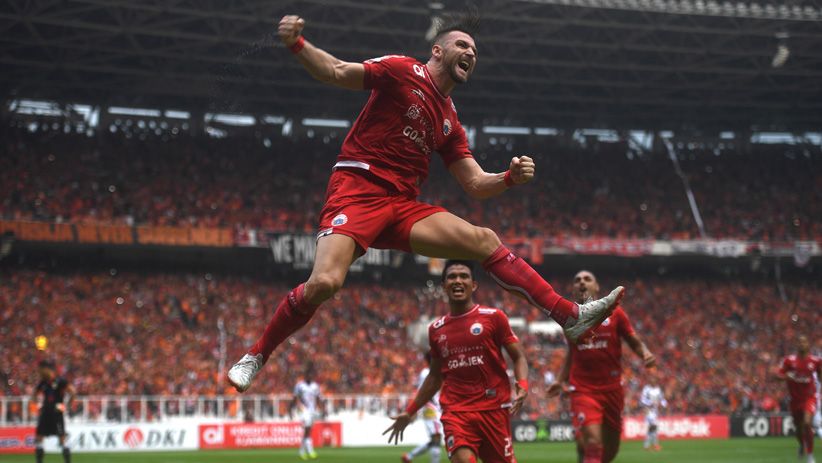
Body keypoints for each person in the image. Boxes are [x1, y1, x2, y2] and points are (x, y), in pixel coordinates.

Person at [227, 8, 624, 394]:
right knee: (326, 283)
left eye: (475, 52)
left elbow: (474, 182)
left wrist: (508, 177)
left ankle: (568, 315)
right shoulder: (403, 71)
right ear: (438, 51)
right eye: (463, 45)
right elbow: (335, 71)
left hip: (402, 205)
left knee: (484, 239)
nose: (471, 53)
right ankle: (256, 355)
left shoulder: (450, 118)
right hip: (358, 189)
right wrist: (297, 44)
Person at [383, 260, 529, 463]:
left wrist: (522, 384)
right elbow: (435, 377)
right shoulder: (436, 329)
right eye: (452, 277)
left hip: (493, 408)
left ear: (474, 284)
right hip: (456, 411)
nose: (457, 280)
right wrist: (410, 412)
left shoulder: (494, 318)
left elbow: (519, 356)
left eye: (463, 276)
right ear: (444, 286)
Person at [547, 270, 655, 463]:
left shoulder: (616, 314)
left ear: (596, 287)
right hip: (583, 389)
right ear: (573, 288)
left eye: (587, 279)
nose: (582, 282)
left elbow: (634, 341)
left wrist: (645, 354)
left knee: (609, 451)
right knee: (594, 444)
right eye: (577, 280)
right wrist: (559, 380)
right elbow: (572, 353)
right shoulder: (569, 319)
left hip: (612, 390)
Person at [776, 334, 820, 463]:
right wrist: (786, 376)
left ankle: (810, 455)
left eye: (804, 342)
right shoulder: (789, 361)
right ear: (797, 345)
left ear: (808, 345)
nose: (802, 344)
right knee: (799, 428)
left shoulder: (815, 361)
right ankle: (801, 445)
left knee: (807, 423)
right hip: (794, 400)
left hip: (809, 398)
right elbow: (777, 375)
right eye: (799, 342)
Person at [402, 352, 443, 463]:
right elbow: (422, 392)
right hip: (431, 408)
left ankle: (409, 456)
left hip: (434, 408)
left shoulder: (430, 372)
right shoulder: (427, 373)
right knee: (436, 437)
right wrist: (414, 410)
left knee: (435, 439)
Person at [32, 360, 75, 463]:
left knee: (62, 439)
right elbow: (34, 395)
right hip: (45, 412)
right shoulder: (43, 382)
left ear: (48, 370)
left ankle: (67, 461)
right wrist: (38, 405)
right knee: (39, 437)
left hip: (57, 413)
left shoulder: (61, 381)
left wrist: (67, 406)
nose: (40, 373)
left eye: (42, 370)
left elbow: (72, 392)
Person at [292, 371, 322, 460]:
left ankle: (302, 452)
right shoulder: (300, 385)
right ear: (305, 376)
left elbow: (318, 397)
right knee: (307, 431)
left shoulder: (315, 386)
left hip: (312, 411)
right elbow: (295, 397)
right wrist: (297, 407)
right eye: (307, 375)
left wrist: (320, 408)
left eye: (311, 375)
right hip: (304, 410)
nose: (309, 377)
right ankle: (310, 451)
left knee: (308, 432)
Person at [640, 373, 667, 451]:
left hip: (655, 411)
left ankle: (647, 445)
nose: (653, 382)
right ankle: (655, 445)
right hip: (648, 410)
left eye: (655, 381)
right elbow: (642, 399)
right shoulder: (646, 389)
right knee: (653, 427)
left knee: (652, 428)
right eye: (652, 380)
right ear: (650, 381)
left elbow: (662, 399)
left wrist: (664, 404)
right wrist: (649, 403)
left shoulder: (658, 389)